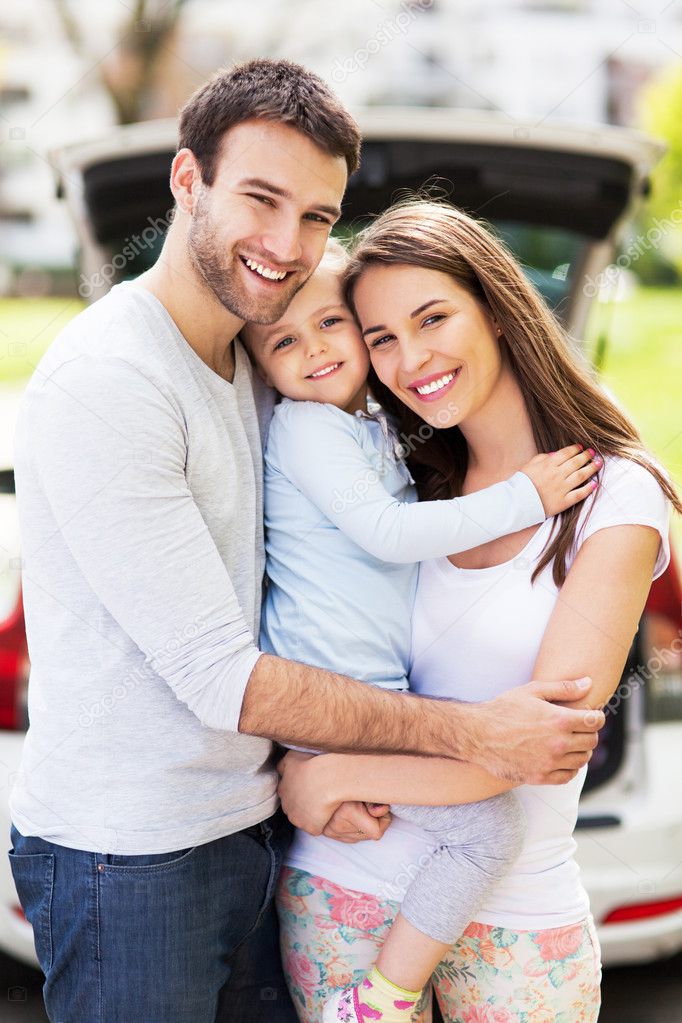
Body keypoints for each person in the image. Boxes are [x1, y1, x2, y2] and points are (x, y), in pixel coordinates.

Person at [9, 59, 604, 1023]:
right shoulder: (111, 381)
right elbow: (223, 677)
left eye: (319, 216)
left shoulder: (258, 360)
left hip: (257, 829)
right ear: (187, 180)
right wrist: (469, 733)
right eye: (262, 198)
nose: (288, 245)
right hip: (133, 857)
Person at [276, 200, 680, 1022]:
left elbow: (533, 747)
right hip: (343, 889)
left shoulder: (614, 497)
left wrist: (317, 775)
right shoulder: (405, 486)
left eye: (432, 318)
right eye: (382, 336)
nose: (409, 358)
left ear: (495, 308)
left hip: (518, 925)